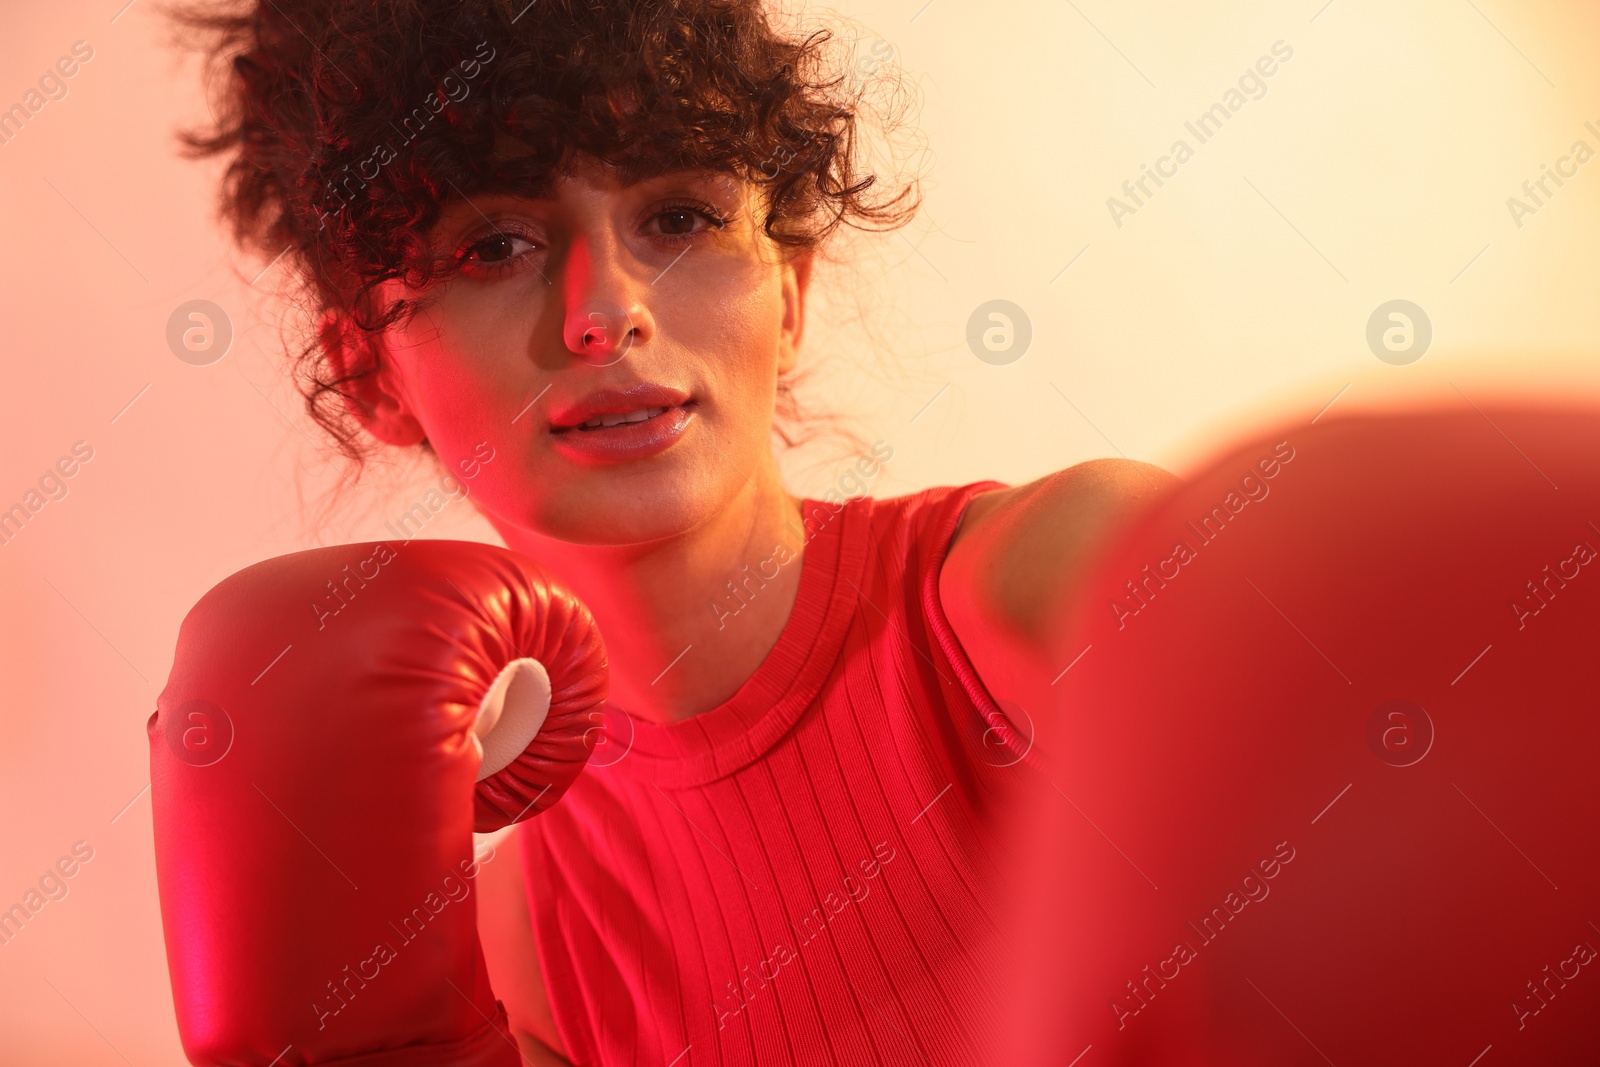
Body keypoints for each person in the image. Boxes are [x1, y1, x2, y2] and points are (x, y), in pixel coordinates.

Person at [166, 1, 1175, 1064]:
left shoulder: (1057, 587)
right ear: (373, 371)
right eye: (495, 244)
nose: (605, 310)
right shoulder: (522, 956)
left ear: (789, 294)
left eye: (680, 218)